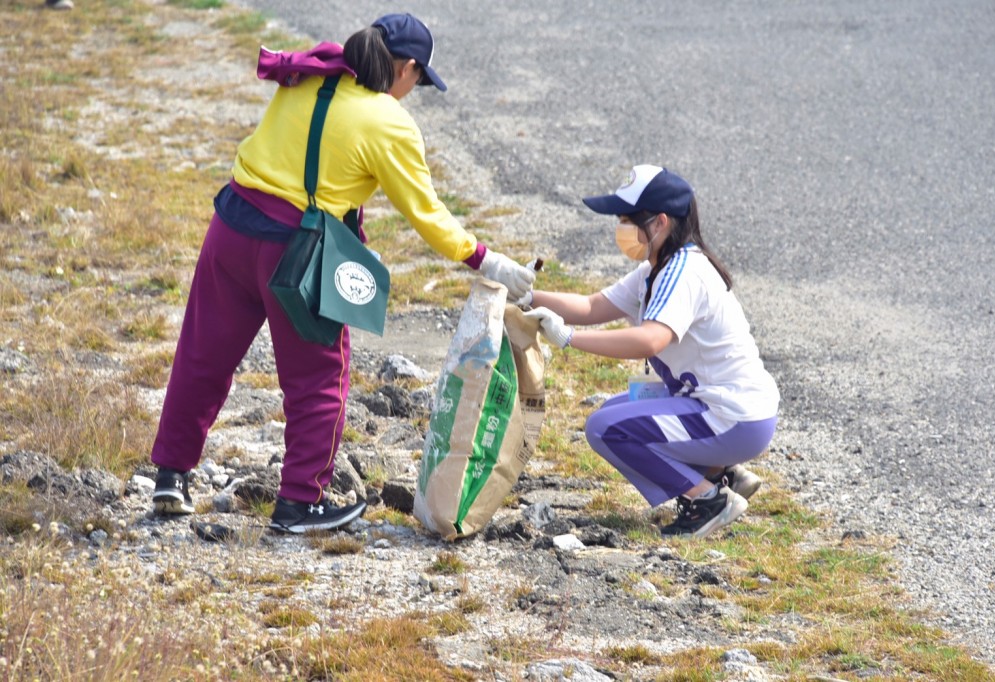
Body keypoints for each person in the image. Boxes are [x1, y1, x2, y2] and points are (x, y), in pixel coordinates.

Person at [150, 13, 536, 533]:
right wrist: (487, 260)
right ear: (407, 68)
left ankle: (171, 476)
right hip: (298, 251)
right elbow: (426, 214)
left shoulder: (309, 74)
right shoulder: (387, 120)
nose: (414, 90)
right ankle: (299, 504)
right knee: (318, 378)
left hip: (231, 227)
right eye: (419, 80)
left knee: (202, 356)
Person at [524, 165, 779, 538]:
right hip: (728, 410)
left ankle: (707, 499)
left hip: (734, 418)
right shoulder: (656, 269)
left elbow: (650, 340)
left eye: (628, 220)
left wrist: (568, 339)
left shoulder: (683, 272)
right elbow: (593, 306)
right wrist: (525, 295)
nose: (621, 229)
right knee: (615, 412)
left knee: (606, 428)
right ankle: (721, 474)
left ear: (660, 223)